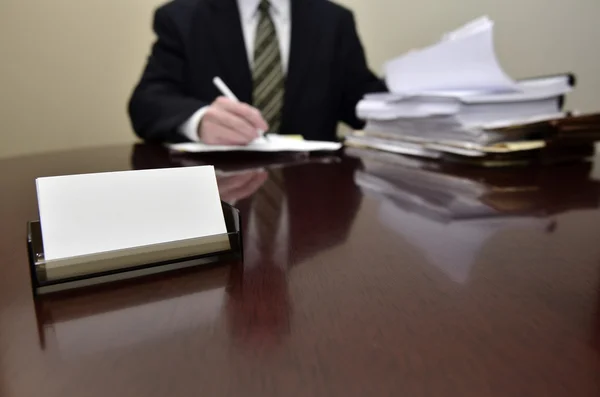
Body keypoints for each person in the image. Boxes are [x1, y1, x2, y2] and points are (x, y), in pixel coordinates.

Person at [128, 0, 386, 144]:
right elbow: (148, 102)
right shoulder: (182, 17)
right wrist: (199, 120)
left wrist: (412, 89)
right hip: (219, 189)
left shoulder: (334, 20)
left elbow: (360, 102)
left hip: (312, 189)